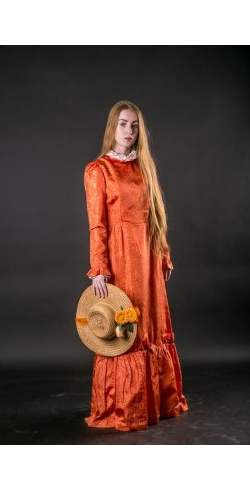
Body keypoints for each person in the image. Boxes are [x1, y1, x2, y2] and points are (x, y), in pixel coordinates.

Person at [83, 100, 188, 431]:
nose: (129, 131)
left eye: (134, 125)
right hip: (121, 259)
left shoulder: (145, 167)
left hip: (148, 257)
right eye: (123, 124)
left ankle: (158, 403)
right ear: (112, 127)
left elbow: (156, 215)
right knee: (129, 328)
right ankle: (125, 408)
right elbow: (97, 224)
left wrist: (164, 253)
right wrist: (99, 268)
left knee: (151, 326)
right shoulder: (99, 170)